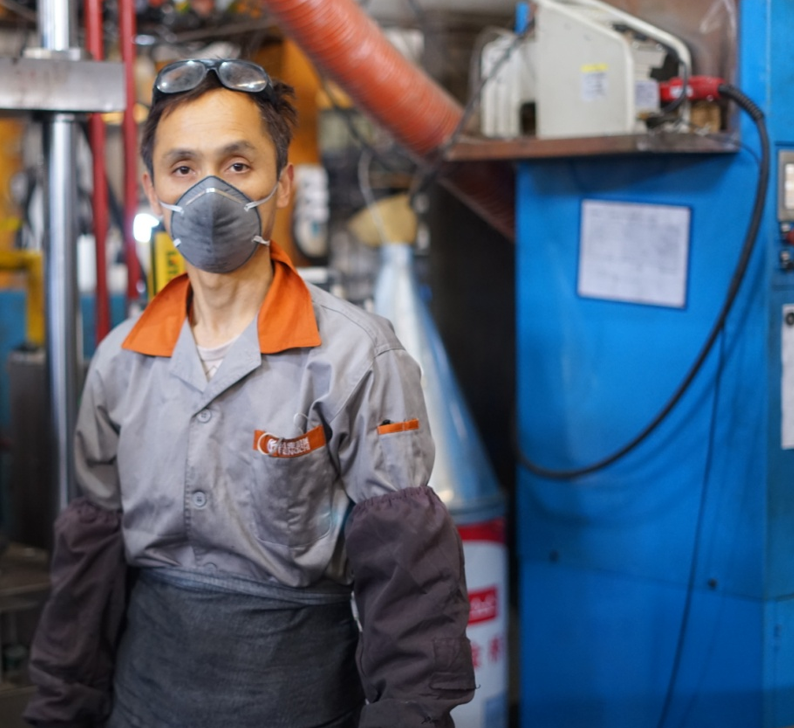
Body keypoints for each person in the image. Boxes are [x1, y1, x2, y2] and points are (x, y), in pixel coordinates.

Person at [23, 58, 475, 728]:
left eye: (237, 165)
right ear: (151, 191)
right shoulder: (120, 362)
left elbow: (408, 574)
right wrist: (60, 710)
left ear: (282, 183)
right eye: (182, 168)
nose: (209, 192)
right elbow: (86, 575)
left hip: (299, 705)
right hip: (145, 704)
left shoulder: (354, 355)